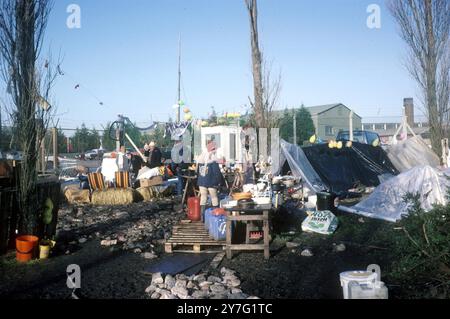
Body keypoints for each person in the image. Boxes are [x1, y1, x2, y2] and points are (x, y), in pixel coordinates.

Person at [196, 140, 225, 221]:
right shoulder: (213, 158)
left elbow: (197, 170)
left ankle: (202, 217)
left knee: (203, 197)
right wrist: (221, 182)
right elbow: (217, 172)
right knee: (214, 197)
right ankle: (215, 216)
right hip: (211, 181)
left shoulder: (201, 156)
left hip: (202, 181)